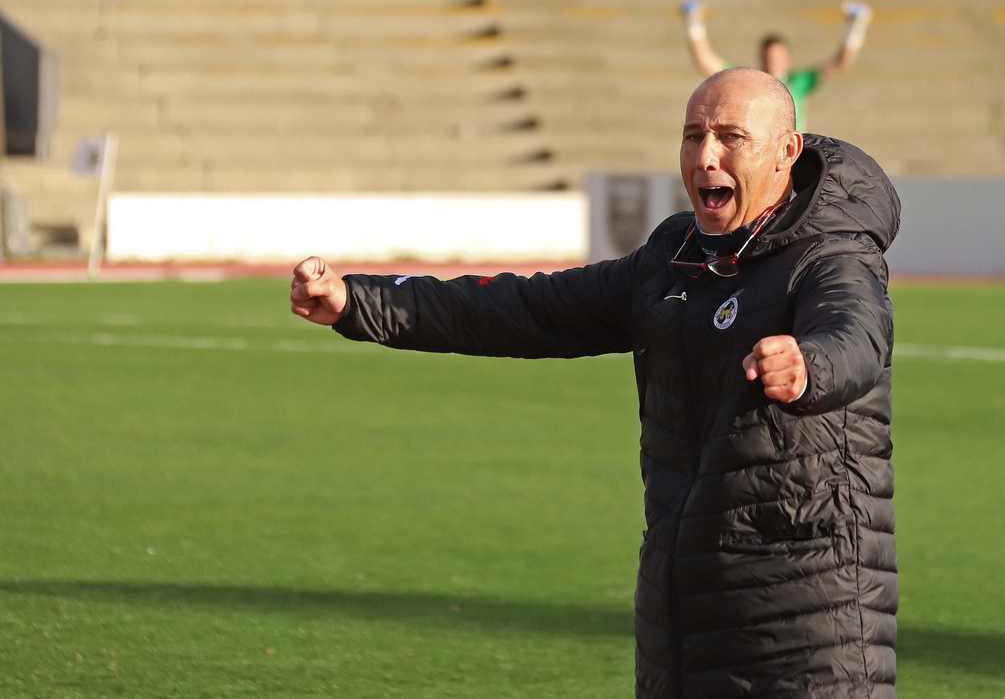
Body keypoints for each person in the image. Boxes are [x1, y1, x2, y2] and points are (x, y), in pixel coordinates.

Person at [289, 68, 901, 699]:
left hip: (807, 617)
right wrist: (356, 302)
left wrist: (808, 366)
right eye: (693, 136)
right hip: (682, 611)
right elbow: (532, 309)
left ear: (786, 152)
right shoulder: (676, 256)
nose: (706, 157)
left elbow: (854, 336)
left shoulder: (832, 255)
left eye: (731, 138)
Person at [681, 0, 872, 131]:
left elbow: (840, 64)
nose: (773, 62)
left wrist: (855, 29)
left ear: (788, 59)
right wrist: (693, 23)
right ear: (761, 58)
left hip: (792, 153)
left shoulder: (799, 82)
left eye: (778, 57)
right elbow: (706, 61)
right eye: (769, 57)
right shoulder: (749, 82)